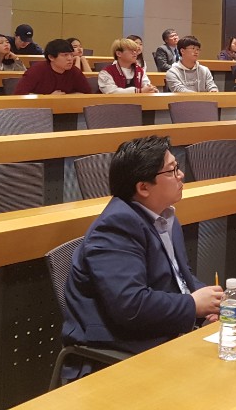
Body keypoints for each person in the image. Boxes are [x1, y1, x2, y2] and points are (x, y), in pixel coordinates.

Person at [61, 135, 223, 369]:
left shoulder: (165, 218)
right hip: (119, 349)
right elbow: (131, 305)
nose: (181, 175)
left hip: (162, 333)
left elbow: (179, 276)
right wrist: (192, 304)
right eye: (171, 170)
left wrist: (208, 302)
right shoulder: (116, 227)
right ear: (143, 187)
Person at [13, 38, 92, 94]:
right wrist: (47, 98)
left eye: (71, 55)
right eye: (65, 55)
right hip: (38, 110)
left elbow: (88, 93)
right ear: (51, 57)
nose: (70, 59)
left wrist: (66, 97)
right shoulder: (37, 70)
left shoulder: (74, 71)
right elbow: (19, 94)